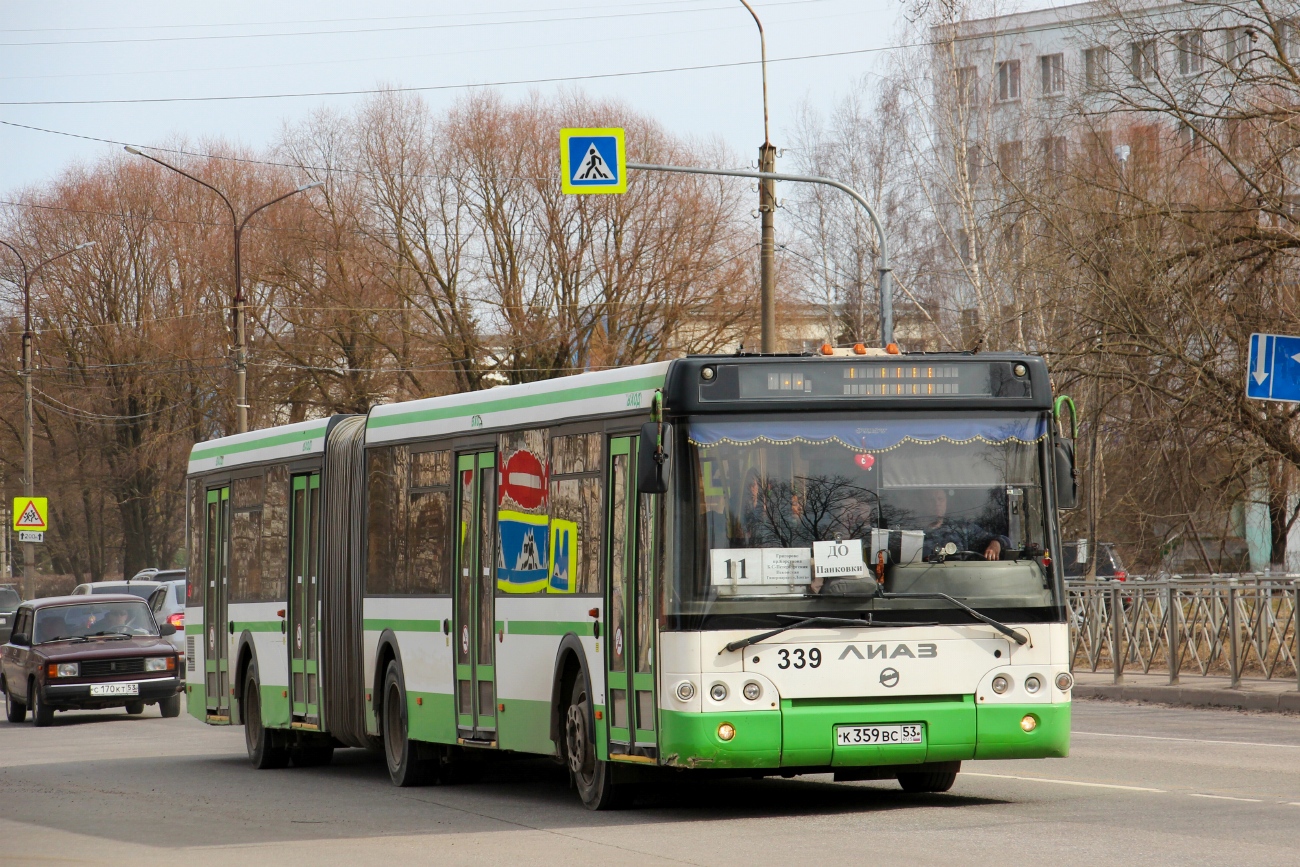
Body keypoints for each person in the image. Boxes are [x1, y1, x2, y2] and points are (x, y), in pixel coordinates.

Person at [916, 488, 1008, 561]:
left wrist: (996, 543)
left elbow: (1004, 540)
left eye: (940, 499)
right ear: (922, 503)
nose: (937, 504)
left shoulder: (961, 529)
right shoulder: (914, 533)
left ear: (946, 502)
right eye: (931, 500)